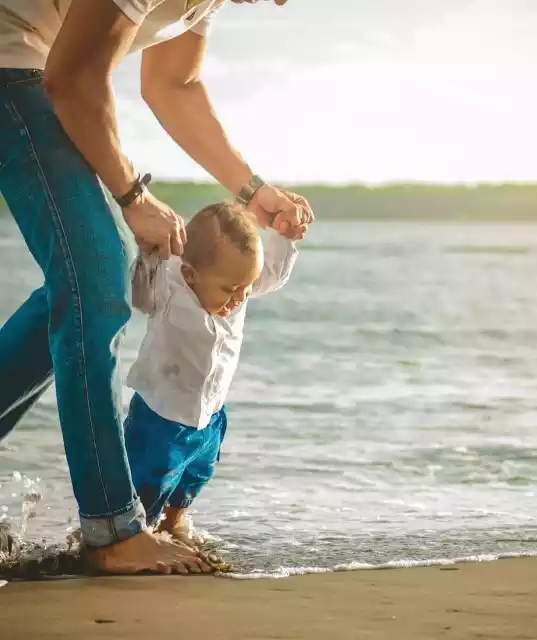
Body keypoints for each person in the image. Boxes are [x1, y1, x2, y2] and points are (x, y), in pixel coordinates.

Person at [0, 0, 313, 575]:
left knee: (89, 283)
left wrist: (252, 192)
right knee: (96, 281)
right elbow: (72, 78)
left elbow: (177, 83)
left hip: (37, 69)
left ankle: (113, 526)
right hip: (12, 64)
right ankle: (112, 529)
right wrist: (133, 198)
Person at [124, 200, 298, 547]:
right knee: (147, 484)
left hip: (210, 414)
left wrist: (284, 234)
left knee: (196, 475)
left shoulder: (237, 281)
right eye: (231, 290)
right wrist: (149, 255)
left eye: (247, 287)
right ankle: (134, 537)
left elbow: (273, 273)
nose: (240, 297)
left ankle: (175, 524)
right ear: (191, 275)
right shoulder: (170, 285)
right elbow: (139, 296)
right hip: (161, 416)